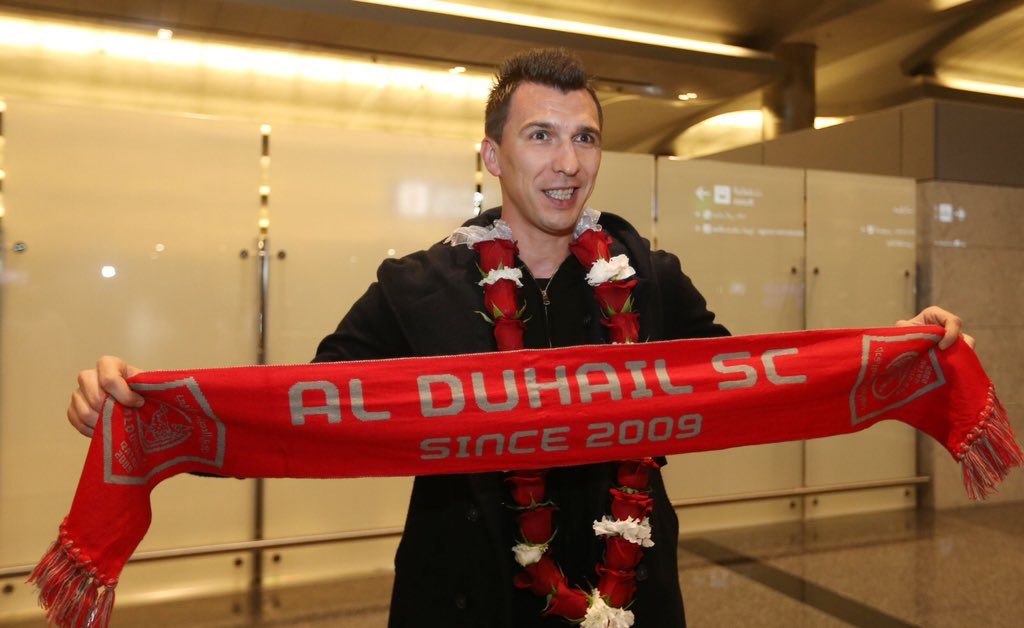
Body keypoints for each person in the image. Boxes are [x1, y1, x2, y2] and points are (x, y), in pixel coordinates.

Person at [66, 49, 973, 626]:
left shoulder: (650, 277)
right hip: (461, 592)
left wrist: (899, 352)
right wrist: (144, 406)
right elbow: (303, 413)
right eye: (540, 136)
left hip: (630, 586)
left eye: (585, 138)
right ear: (493, 156)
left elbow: (750, 382)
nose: (567, 163)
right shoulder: (416, 287)